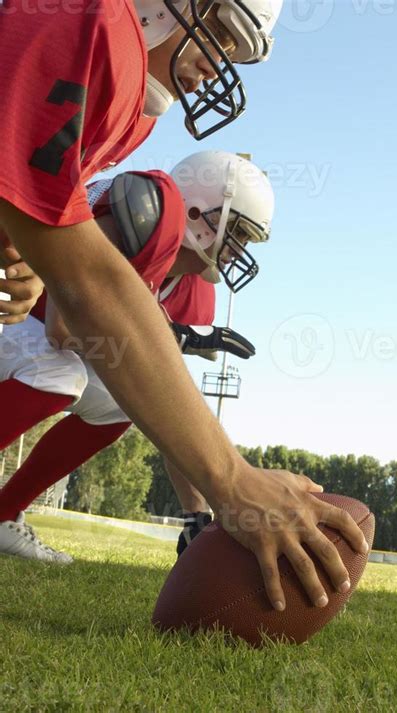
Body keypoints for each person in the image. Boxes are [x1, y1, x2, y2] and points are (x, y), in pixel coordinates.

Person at [0, 2, 368, 612]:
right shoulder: (93, 27)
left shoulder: (130, 114)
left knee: (118, 395)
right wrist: (232, 479)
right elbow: (85, 294)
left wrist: (24, 258)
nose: (217, 64)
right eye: (220, 33)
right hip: (35, 342)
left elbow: (40, 226)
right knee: (63, 371)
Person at [0, 151, 268, 562]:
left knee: (121, 404)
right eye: (237, 231)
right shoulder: (149, 211)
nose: (239, 249)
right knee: (62, 373)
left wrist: (195, 515)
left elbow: (169, 400)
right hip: (15, 303)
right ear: (197, 210)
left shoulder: (193, 290)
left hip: (38, 337)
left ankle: (4, 513)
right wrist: (167, 334)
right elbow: (63, 328)